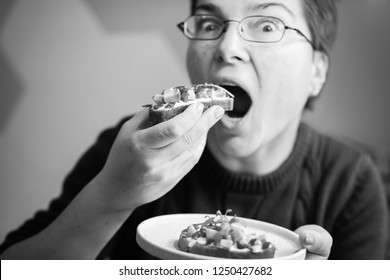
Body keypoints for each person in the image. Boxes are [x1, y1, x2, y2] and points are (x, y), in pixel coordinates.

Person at [0, 0, 387, 260]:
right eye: (209, 23)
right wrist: (110, 197)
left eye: (268, 24)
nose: (227, 46)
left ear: (316, 72)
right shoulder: (129, 153)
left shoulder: (350, 184)